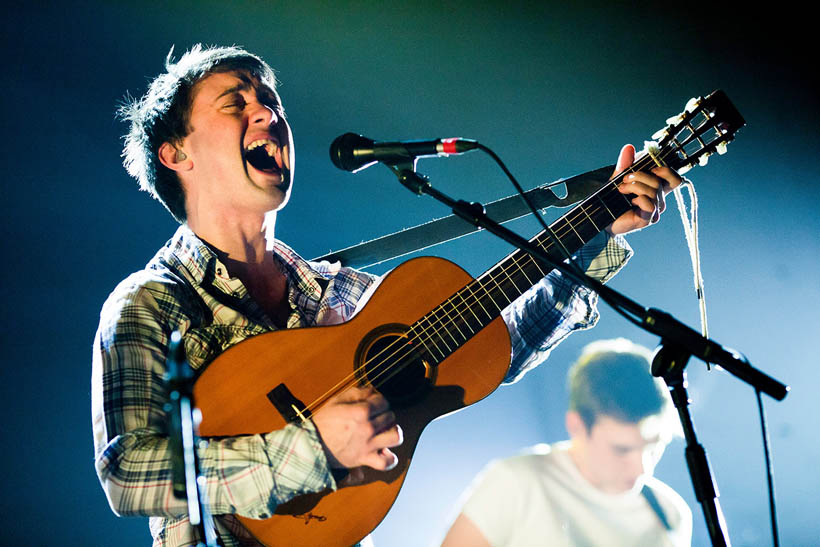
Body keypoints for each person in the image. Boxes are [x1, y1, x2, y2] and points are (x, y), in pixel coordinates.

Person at [91, 44, 682, 546]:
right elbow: (127, 473)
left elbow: (489, 353)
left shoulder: (339, 293)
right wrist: (310, 448)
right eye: (236, 103)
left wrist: (595, 231)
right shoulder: (151, 304)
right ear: (177, 154)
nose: (266, 112)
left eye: (269, 99)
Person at [441, 338, 693, 547]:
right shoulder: (516, 481)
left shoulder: (670, 515)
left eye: (654, 445)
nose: (642, 468)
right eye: (622, 449)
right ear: (577, 426)